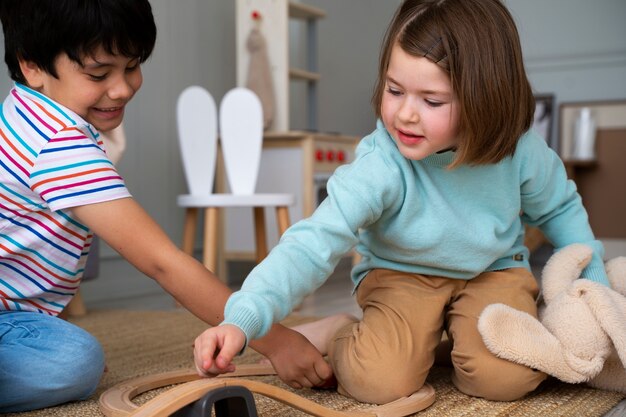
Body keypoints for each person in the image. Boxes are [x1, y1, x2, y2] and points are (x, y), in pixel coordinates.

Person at [193, 0, 610, 406]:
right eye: (394, 90)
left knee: (508, 376)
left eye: (431, 101)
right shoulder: (382, 162)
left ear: (487, 98)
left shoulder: (520, 151)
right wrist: (243, 318)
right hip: (400, 274)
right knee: (377, 381)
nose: (405, 115)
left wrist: (594, 288)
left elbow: (559, 210)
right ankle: (341, 332)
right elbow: (312, 242)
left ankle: (444, 344)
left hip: (493, 271)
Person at [0, 0, 331, 412]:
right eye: (99, 73)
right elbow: (162, 261)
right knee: (73, 361)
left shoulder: (22, 109)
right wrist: (278, 343)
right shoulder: (59, 142)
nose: (122, 88)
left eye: (132, 66)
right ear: (31, 65)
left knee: (63, 349)